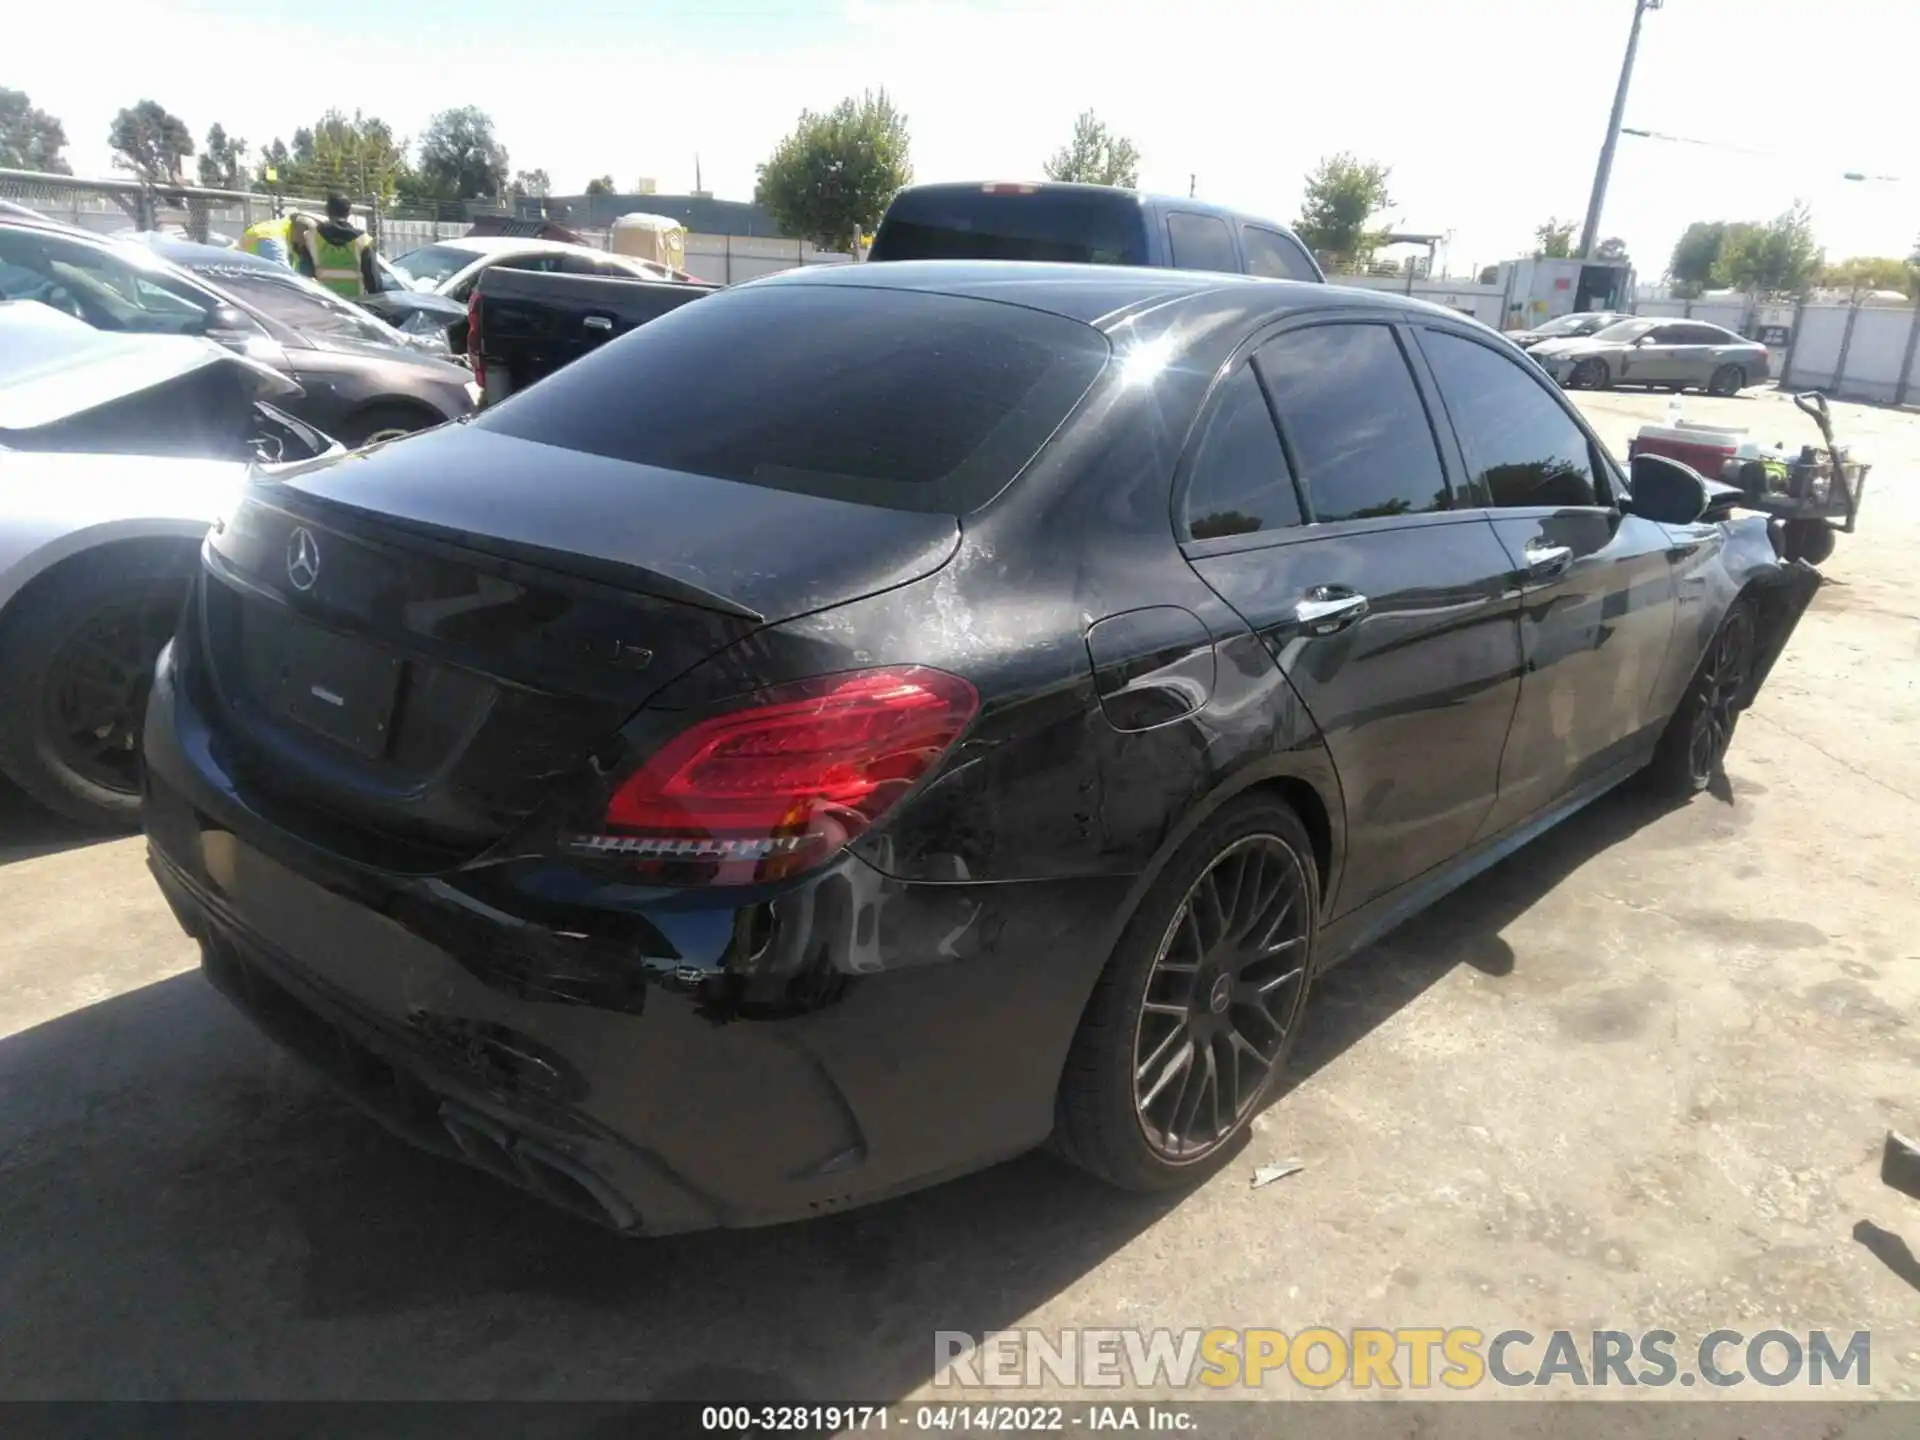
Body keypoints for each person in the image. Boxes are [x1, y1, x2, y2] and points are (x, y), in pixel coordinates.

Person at [299, 195, 380, 298]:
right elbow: (373, 281)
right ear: (349, 212)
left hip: (323, 304)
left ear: (327, 211)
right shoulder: (362, 240)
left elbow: (303, 276)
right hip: (355, 306)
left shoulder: (311, 238)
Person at [240, 210, 317, 269]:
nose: (304, 244)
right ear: (303, 233)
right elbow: (283, 274)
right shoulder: (274, 239)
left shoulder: (283, 229)